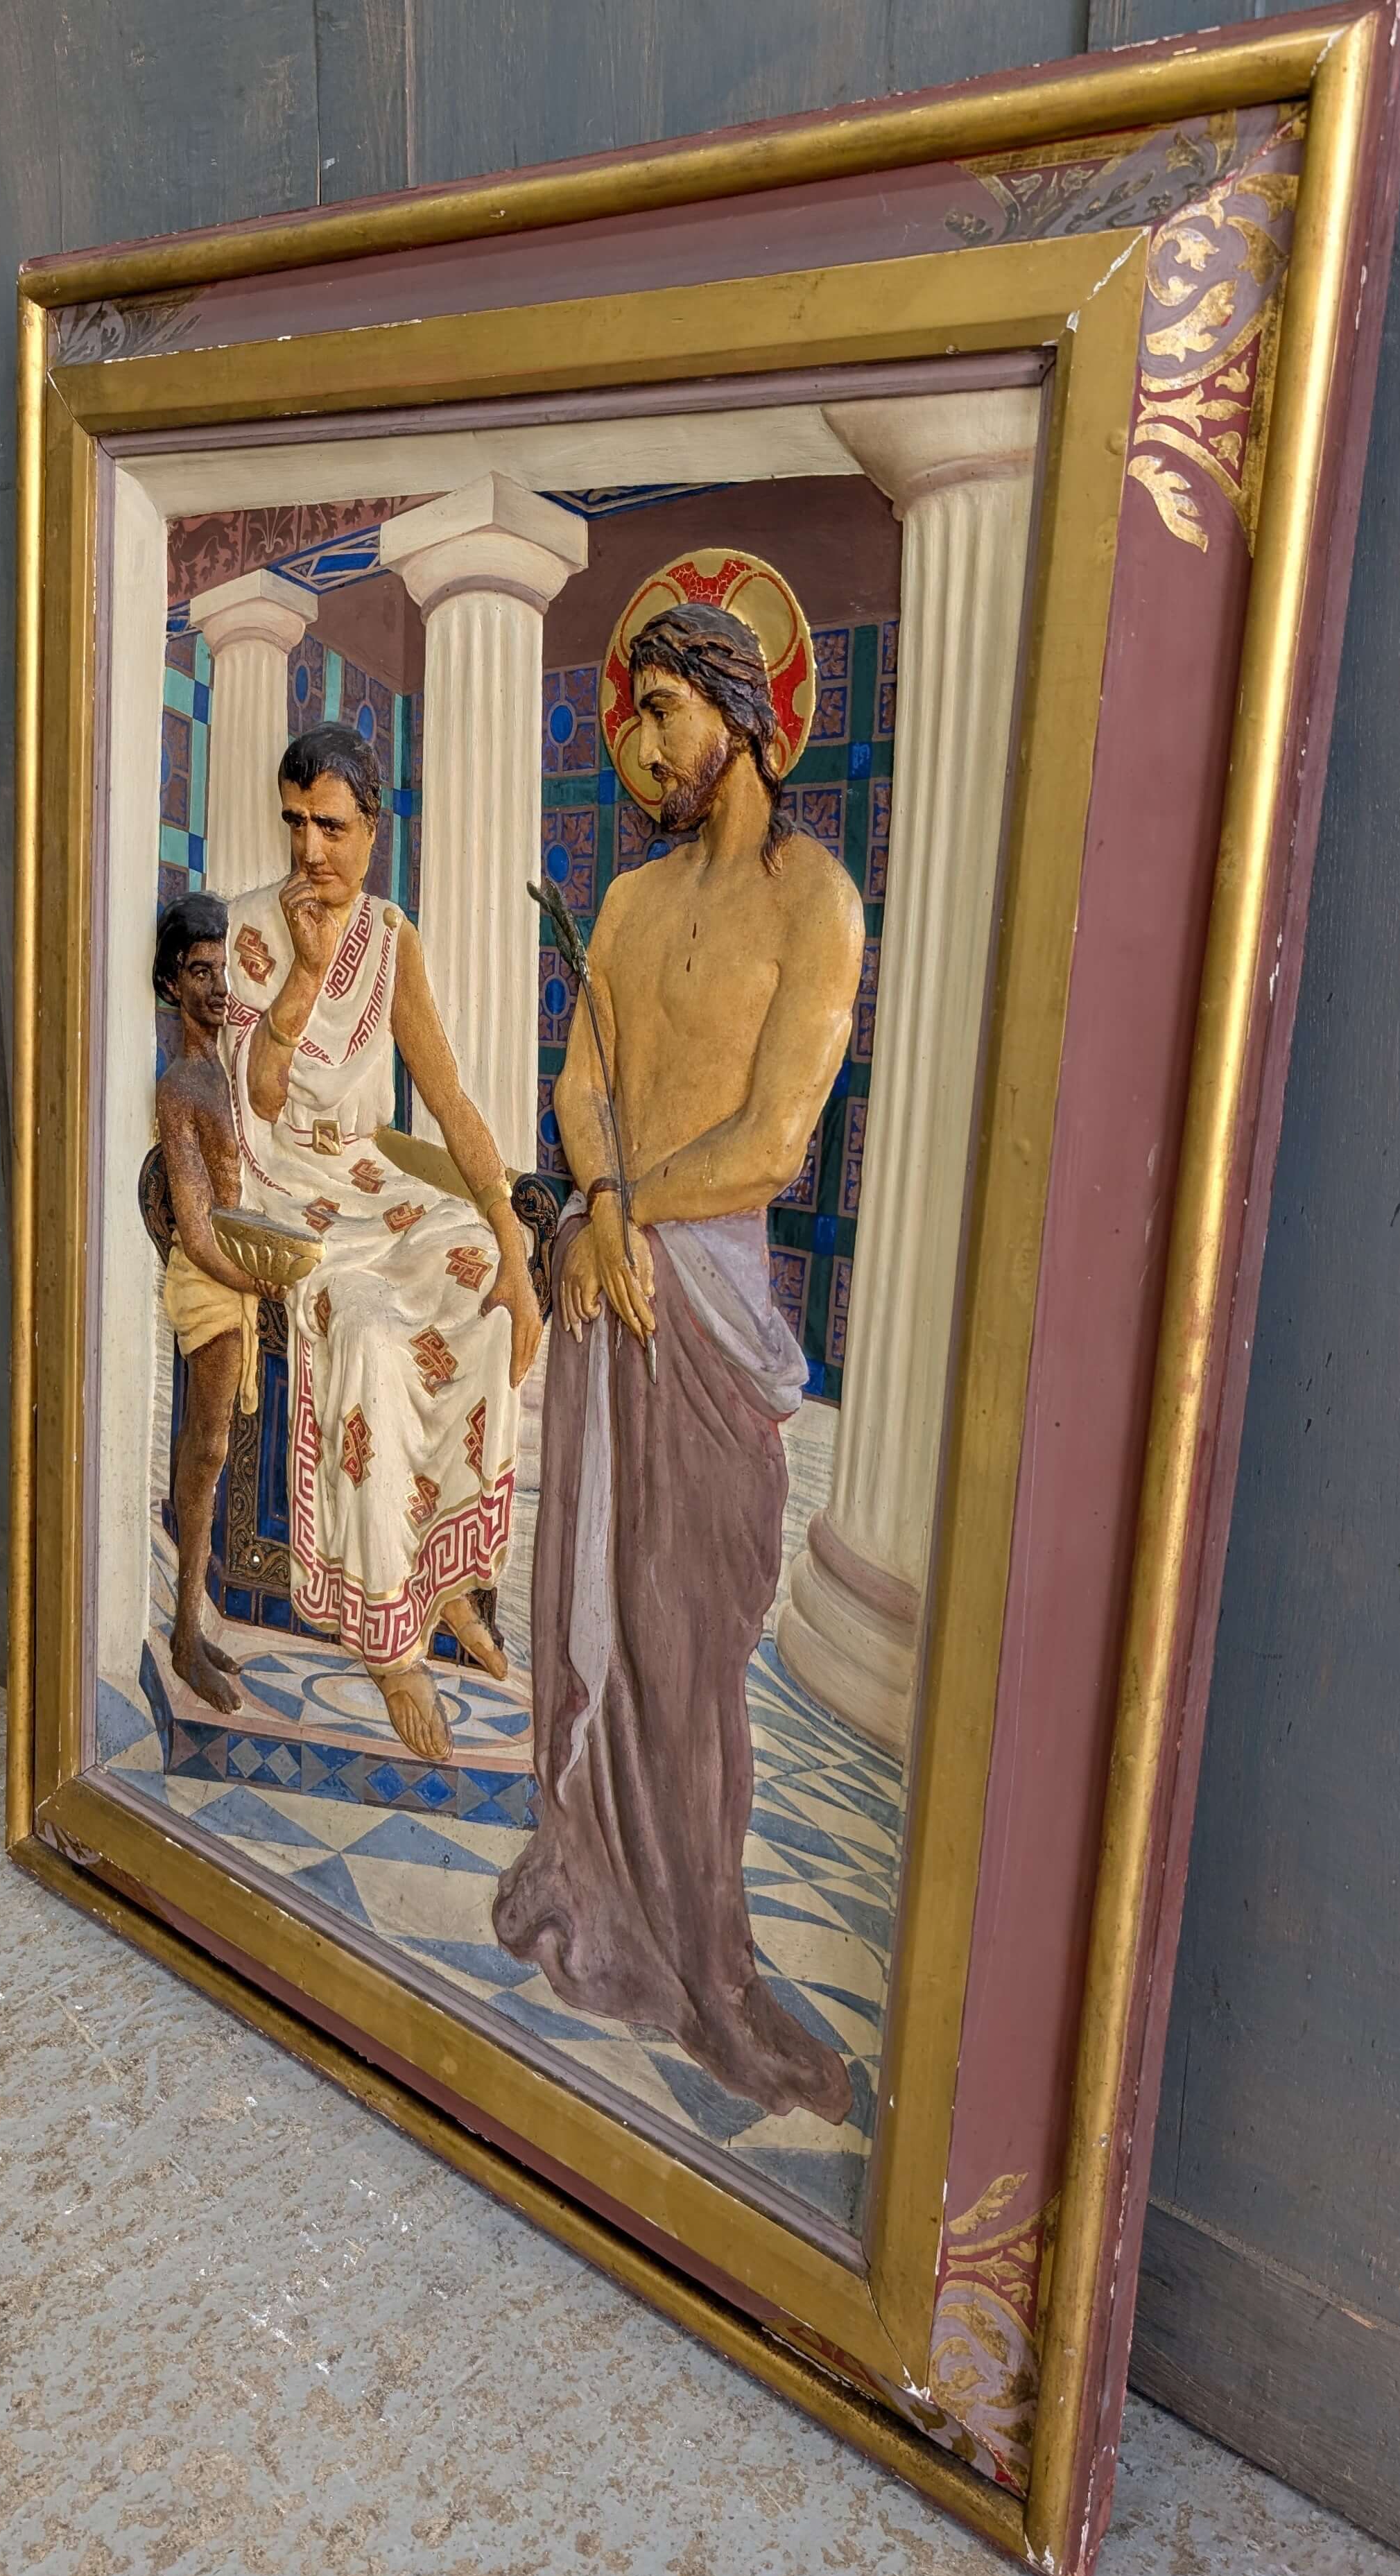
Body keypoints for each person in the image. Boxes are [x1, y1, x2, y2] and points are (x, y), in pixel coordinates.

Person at [492, 600, 864, 2123]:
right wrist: (596, 1209)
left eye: (663, 710)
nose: (642, 745)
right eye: (634, 715)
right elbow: (580, 1084)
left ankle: (711, 1961)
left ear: (739, 710)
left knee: (692, 1636)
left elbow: (775, 1138)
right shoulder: (632, 903)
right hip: (612, 1284)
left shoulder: (816, 902)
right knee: (592, 1592)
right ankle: (592, 1882)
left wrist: (627, 1212)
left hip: (696, 1299)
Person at [219, 721, 543, 1764]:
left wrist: (515, 1248)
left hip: (369, 1182)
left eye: (332, 826)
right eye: (295, 823)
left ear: (373, 829)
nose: (310, 848)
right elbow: (258, 1100)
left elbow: (446, 1096)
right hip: (283, 1190)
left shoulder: (391, 938)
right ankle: (392, 1644)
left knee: (482, 1279)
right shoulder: (249, 932)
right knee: (365, 1333)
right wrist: (305, 977)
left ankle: (445, 1580)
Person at [153, 891, 265, 1713]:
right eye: (200, 973)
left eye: (222, 970)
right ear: (171, 984)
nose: (217, 987)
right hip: (210, 1280)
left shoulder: (224, 1069)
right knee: (206, 1448)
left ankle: (193, 1623)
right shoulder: (183, 1083)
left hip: (235, 1268)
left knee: (214, 1449)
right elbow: (194, 1231)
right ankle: (185, 1637)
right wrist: (255, 1280)